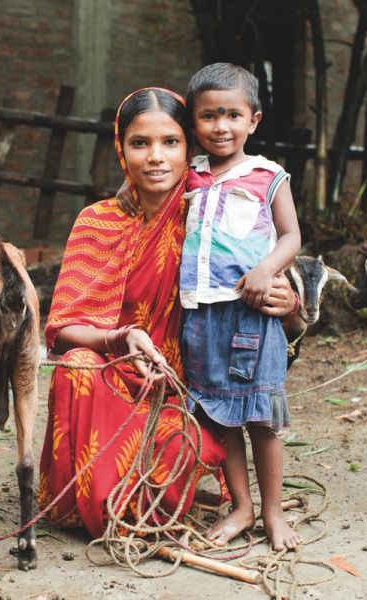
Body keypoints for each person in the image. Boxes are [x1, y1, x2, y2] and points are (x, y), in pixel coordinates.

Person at [37, 87, 297, 539]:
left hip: (190, 384)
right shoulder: (96, 221)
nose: (155, 157)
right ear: (121, 149)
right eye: (140, 143)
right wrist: (119, 338)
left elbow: (276, 289)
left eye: (170, 142)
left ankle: (209, 499)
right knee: (75, 369)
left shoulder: (211, 215)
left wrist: (290, 304)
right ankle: (87, 504)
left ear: (190, 148)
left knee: (184, 441)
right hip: (117, 371)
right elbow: (63, 328)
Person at [181, 63, 302, 551]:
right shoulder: (186, 175)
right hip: (200, 314)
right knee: (217, 414)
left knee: (261, 418)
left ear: (253, 120)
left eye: (232, 114)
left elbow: (291, 234)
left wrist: (267, 270)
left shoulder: (268, 175)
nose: (221, 126)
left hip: (252, 314)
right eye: (209, 116)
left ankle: (272, 512)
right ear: (194, 123)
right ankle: (242, 506)